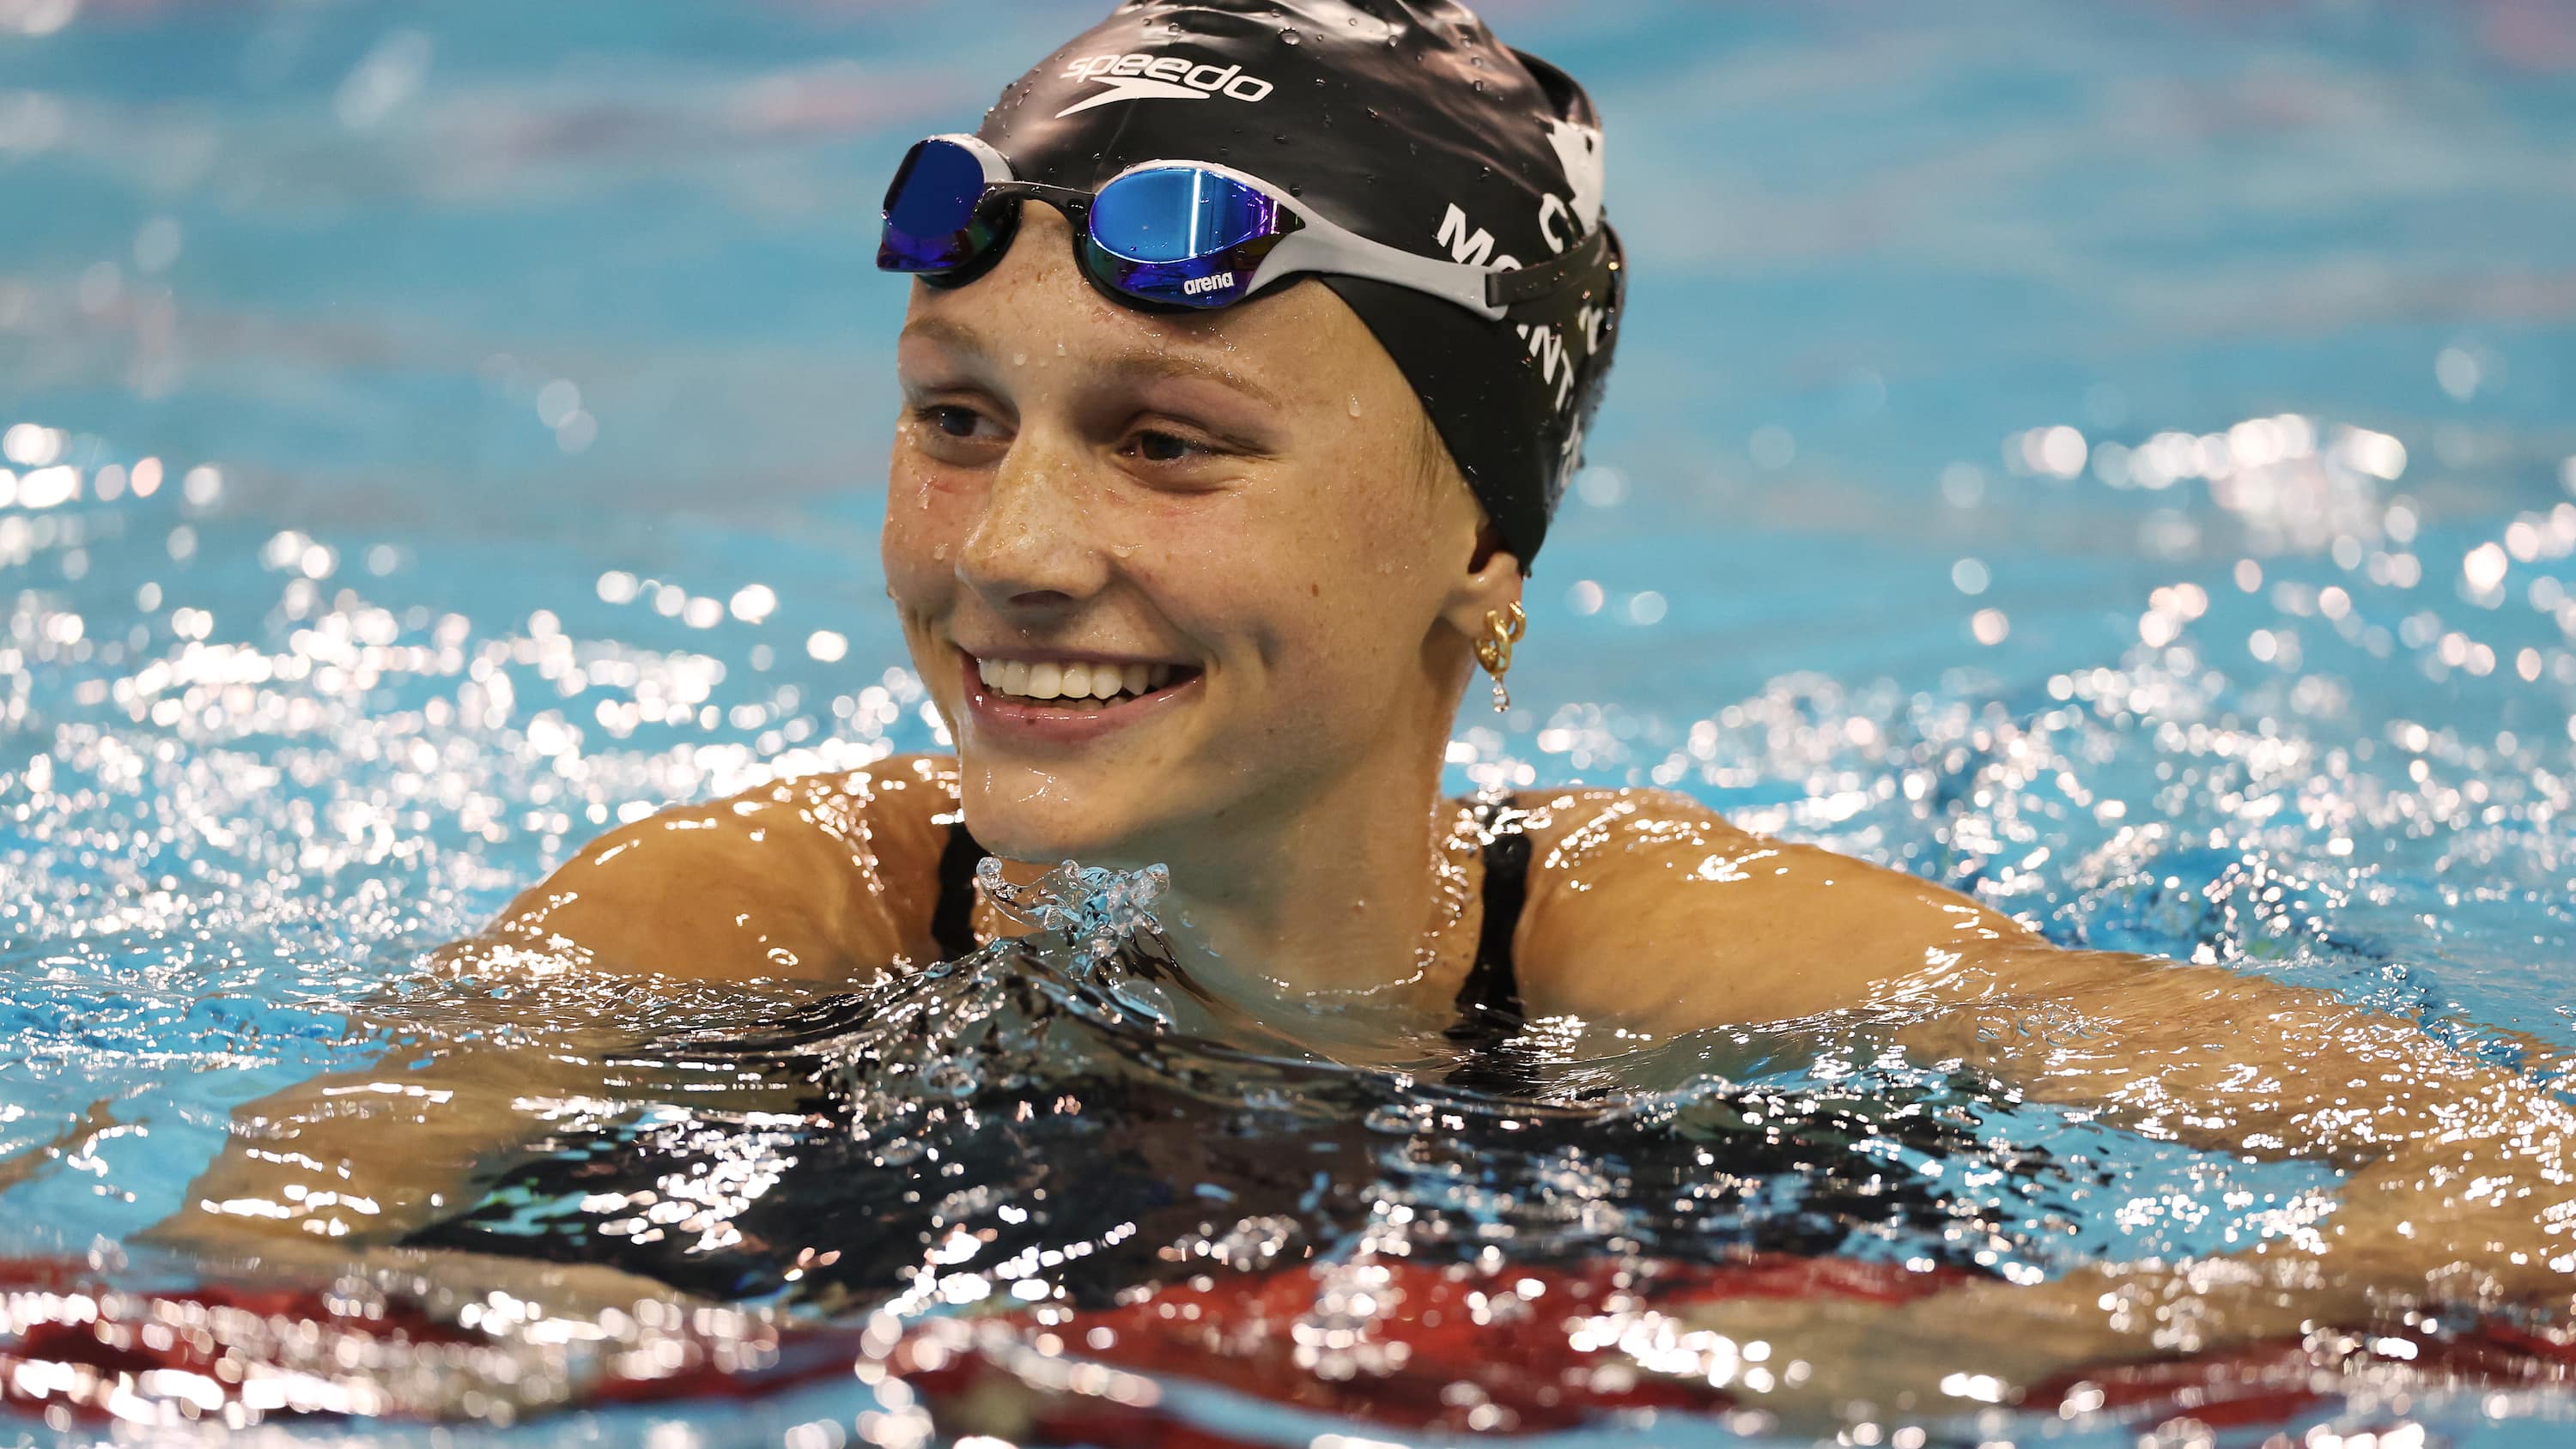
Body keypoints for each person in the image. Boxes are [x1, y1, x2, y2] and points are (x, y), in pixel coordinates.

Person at [157, 0, 2573, 1422]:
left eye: (1171, 442)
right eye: (960, 413)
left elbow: (2520, 1182)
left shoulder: (1660, 958)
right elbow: (247, 1250)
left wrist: (1963, 1348)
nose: (1005, 554)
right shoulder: (763, 902)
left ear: (1483, 553)